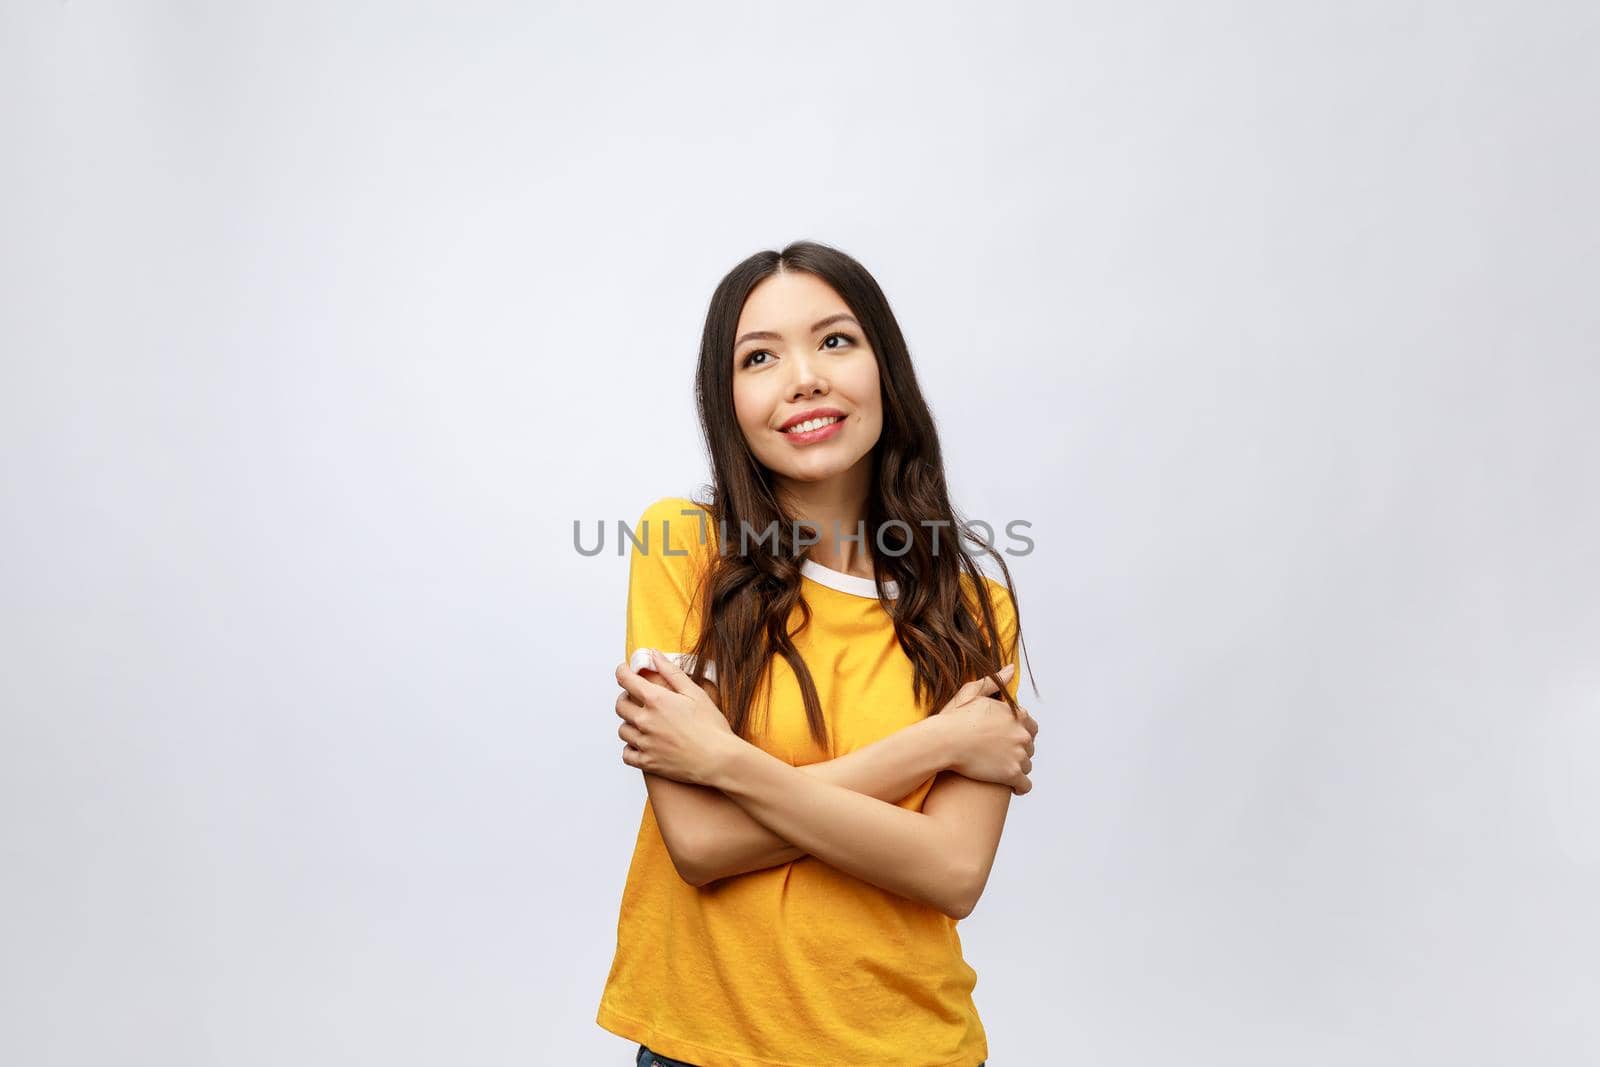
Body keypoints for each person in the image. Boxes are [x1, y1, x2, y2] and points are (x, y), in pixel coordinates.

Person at [597, 241, 1037, 1067]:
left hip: (911, 1047)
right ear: (726, 400)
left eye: (836, 340)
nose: (804, 376)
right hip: (705, 1048)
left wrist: (722, 760)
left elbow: (951, 871)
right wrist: (938, 743)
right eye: (759, 356)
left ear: (884, 368)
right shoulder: (684, 548)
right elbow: (698, 845)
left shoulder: (973, 610)